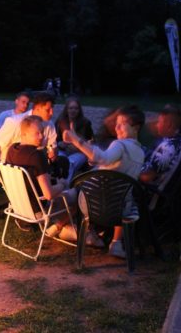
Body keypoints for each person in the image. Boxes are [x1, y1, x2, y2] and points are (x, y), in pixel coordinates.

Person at [63, 105, 146, 258]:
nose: (117, 127)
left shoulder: (119, 145)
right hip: (121, 210)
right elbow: (106, 162)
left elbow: (102, 158)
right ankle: (116, 243)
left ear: (136, 127)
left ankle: (61, 226)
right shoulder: (141, 153)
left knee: (68, 193)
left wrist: (75, 139)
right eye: (116, 123)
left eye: (122, 123)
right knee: (123, 194)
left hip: (93, 207)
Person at [6, 116, 77, 241]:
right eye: (37, 133)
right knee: (78, 196)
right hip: (38, 211)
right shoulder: (37, 156)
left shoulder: (12, 150)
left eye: (42, 132)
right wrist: (62, 184)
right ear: (24, 134)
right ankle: (58, 226)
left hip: (19, 209)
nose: (41, 137)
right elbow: (48, 194)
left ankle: (60, 227)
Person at [0, 92, 57, 194]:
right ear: (36, 108)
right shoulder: (15, 122)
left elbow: (53, 147)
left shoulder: (49, 124)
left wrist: (53, 152)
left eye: (52, 109)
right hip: (11, 167)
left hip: (36, 165)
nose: (52, 113)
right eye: (47, 110)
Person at [140, 106, 181, 186]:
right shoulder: (177, 140)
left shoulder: (167, 148)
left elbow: (147, 177)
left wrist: (130, 171)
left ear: (169, 125)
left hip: (143, 188)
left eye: (159, 122)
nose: (157, 125)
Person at [55, 97, 94, 184]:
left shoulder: (85, 123)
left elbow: (90, 141)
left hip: (80, 152)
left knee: (70, 163)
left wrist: (79, 144)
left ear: (79, 110)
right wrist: (60, 144)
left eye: (76, 108)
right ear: (66, 109)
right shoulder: (60, 122)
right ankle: (59, 186)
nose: (73, 110)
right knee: (61, 161)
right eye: (71, 108)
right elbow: (56, 141)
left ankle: (64, 188)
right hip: (63, 151)